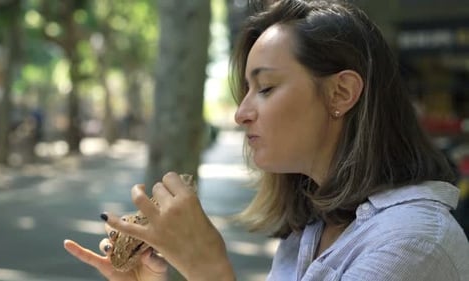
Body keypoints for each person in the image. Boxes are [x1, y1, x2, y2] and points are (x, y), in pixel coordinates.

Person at [64, 0, 469, 280]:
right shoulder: (311, 231)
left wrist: (209, 270)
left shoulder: (414, 241)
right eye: (244, 93)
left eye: (267, 88)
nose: (241, 113)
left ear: (341, 93)